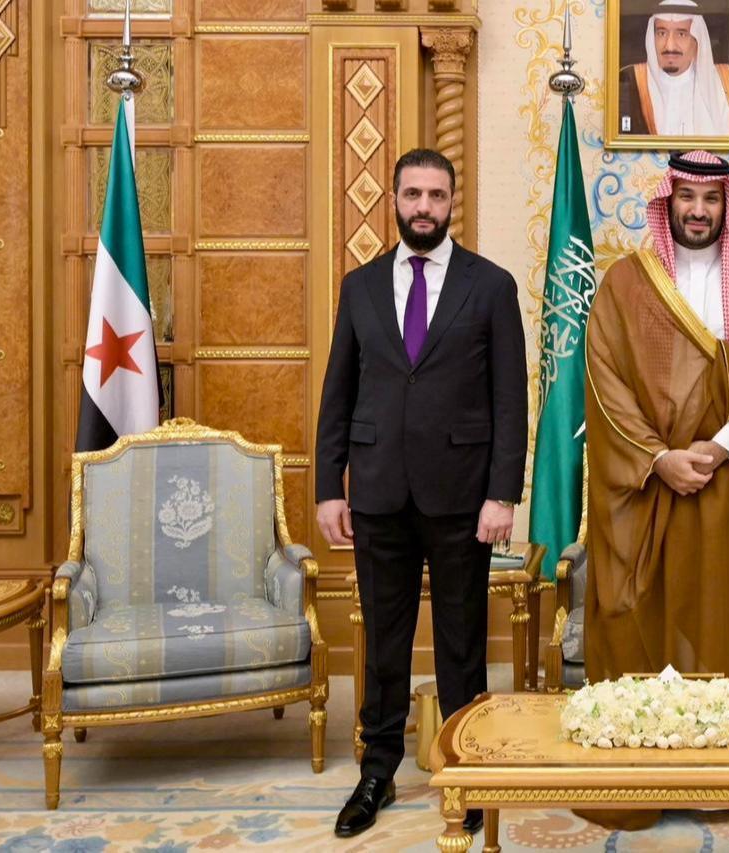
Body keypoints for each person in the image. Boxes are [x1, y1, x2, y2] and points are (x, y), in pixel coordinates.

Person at [582, 149, 729, 829]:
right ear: (667, 203)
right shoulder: (624, 285)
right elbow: (605, 382)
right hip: (655, 486)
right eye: (686, 197)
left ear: (727, 207)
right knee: (653, 616)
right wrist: (658, 459)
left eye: (711, 200)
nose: (697, 211)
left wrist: (718, 448)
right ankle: (646, 774)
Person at [315, 148, 527, 839]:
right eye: (413, 194)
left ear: (452, 201)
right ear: (396, 200)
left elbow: (509, 401)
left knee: (462, 643)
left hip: (464, 497)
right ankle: (376, 768)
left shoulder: (490, 285)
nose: (424, 206)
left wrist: (503, 493)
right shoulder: (360, 286)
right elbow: (339, 391)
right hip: (376, 493)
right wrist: (328, 486)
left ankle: (466, 770)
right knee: (384, 641)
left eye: (437, 194)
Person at [617, 0, 729, 136]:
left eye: (681, 34)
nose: (670, 46)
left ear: (697, 41)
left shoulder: (726, 81)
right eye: (662, 33)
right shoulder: (629, 80)